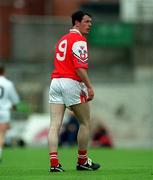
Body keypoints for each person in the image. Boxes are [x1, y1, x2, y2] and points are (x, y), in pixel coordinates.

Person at [48, 10, 100, 172]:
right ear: (76, 23)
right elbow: (79, 68)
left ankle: (54, 164)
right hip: (70, 82)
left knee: (54, 124)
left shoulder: (63, 39)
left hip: (55, 82)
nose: (90, 25)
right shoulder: (79, 40)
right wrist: (89, 87)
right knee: (85, 122)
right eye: (86, 21)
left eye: (90, 22)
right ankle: (82, 161)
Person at [0, 63, 20, 162]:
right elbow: (15, 100)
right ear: (4, 72)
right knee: (1, 134)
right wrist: (15, 107)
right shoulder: (8, 83)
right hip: (4, 111)